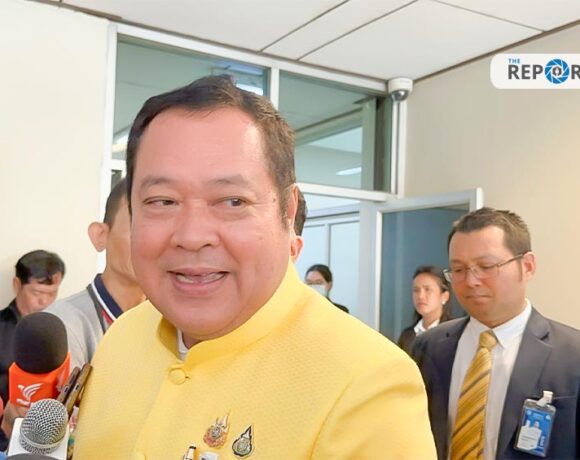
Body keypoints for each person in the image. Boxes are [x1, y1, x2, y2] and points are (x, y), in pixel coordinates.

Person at [73, 75, 436, 459]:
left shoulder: (368, 387)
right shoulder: (122, 335)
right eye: (162, 201)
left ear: (288, 212)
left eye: (232, 201)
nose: (192, 236)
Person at [412, 207, 580, 460]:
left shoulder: (572, 355)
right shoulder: (428, 347)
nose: (471, 281)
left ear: (527, 266)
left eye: (486, 266)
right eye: (458, 269)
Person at [47, 178, 145, 369]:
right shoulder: (64, 325)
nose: (151, 244)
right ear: (100, 235)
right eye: (138, 229)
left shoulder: (174, 320)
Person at [0, 250, 65, 449]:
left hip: (49, 438)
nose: (44, 301)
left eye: (51, 293)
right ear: (17, 284)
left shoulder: (58, 333)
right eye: (37, 293)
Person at [397, 265, 452, 354]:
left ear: (444, 296)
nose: (420, 296)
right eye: (416, 290)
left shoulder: (453, 333)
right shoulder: (406, 335)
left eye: (427, 289)